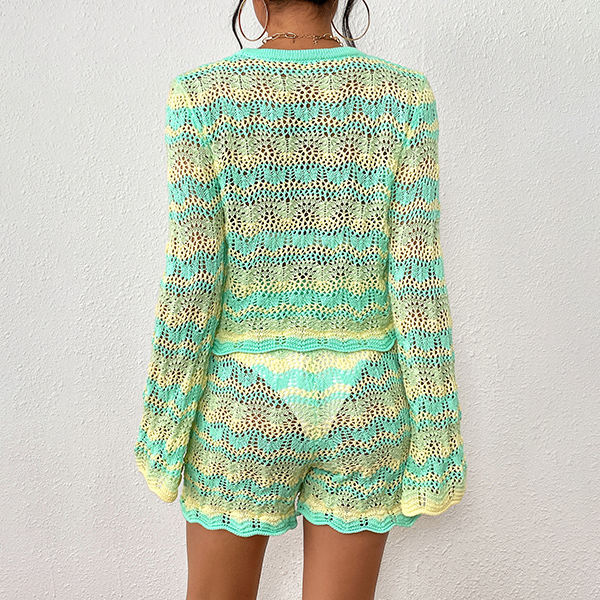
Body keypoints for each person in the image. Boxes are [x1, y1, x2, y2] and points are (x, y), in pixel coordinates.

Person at [133, 0, 467, 598]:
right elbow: (417, 281)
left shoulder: (201, 97)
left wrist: (165, 427)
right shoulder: (404, 96)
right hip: (366, 401)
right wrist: (437, 438)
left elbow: (193, 278)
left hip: (242, 402)